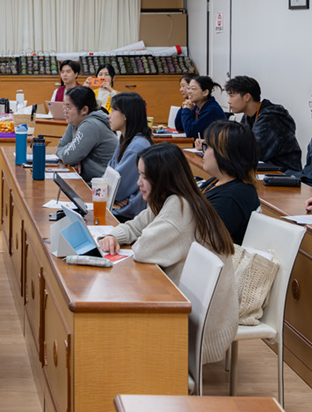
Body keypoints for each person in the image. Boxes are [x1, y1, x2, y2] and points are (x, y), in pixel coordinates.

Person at [98, 143, 237, 364]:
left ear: (162, 179)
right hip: (191, 309)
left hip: (201, 329)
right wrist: (114, 236)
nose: (138, 183)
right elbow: (135, 226)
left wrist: (130, 238)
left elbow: (142, 250)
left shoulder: (179, 208)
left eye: (144, 177)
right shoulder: (172, 198)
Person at [198, 121, 261, 245]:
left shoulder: (232, 197)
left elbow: (204, 241)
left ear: (224, 153)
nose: (203, 152)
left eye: (208, 146)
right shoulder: (218, 181)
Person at [225, 75, 301, 172]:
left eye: (232, 96)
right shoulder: (249, 116)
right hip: (263, 171)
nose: (228, 101)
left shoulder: (271, 118)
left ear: (247, 97)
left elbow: (252, 152)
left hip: (283, 173)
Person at [107, 92, 154, 220]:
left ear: (125, 115)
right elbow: (108, 175)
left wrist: (113, 196)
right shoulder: (125, 139)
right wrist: (112, 195)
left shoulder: (138, 146)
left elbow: (117, 190)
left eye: (113, 111)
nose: (109, 115)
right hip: (118, 208)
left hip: (128, 215)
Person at [55, 86, 118, 183]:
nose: (65, 110)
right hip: (88, 181)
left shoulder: (91, 125)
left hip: (101, 185)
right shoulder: (75, 121)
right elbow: (60, 147)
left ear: (84, 110)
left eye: (68, 107)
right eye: (64, 106)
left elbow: (68, 157)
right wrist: (75, 158)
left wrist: (75, 157)